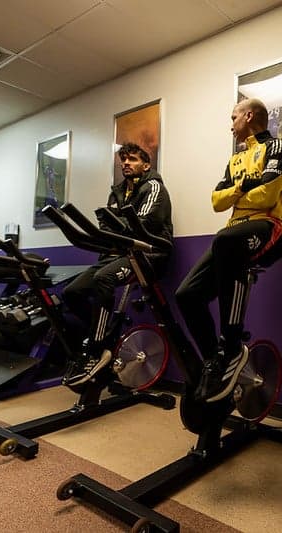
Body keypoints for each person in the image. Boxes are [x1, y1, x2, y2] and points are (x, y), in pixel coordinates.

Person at [176, 98, 282, 403]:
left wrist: (236, 195)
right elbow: (216, 201)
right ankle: (215, 361)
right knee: (186, 295)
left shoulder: (279, 148)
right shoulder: (236, 161)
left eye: (234, 117)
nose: (231, 124)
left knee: (226, 241)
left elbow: (267, 195)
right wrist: (243, 187)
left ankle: (231, 345)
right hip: (233, 233)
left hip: (272, 228)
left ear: (249, 115)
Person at [62, 142, 173, 387]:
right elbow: (105, 226)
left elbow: (146, 223)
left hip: (149, 255)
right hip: (117, 254)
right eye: (123, 159)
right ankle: (100, 331)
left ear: (146, 165)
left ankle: (97, 348)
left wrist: (119, 222)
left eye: (132, 159)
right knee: (72, 293)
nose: (126, 163)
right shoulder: (117, 192)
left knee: (104, 279)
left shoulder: (154, 187)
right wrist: (118, 224)